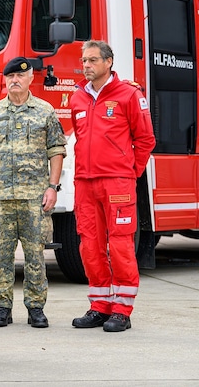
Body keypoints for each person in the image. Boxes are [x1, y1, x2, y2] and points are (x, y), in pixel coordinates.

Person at [70, 40, 155, 332]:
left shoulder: (129, 94)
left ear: (108, 62)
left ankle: (122, 310)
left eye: (93, 60)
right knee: (89, 246)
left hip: (117, 182)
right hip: (84, 182)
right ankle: (99, 306)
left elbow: (145, 139)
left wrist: (129, 172)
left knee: (119, 245)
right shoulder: (77, 97)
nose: (87, 65)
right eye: (84, 61)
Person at [0, 57, 66, 329]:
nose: (14, 80)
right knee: (0, 255)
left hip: (34, 198)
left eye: (20, 76)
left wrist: (52, 187)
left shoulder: (45, 111)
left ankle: (36, 308)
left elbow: (57, 150)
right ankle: (2, 307)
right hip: (1, 197)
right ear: (5, 80)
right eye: (10, 76)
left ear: (30, 80)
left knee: (36, 255)